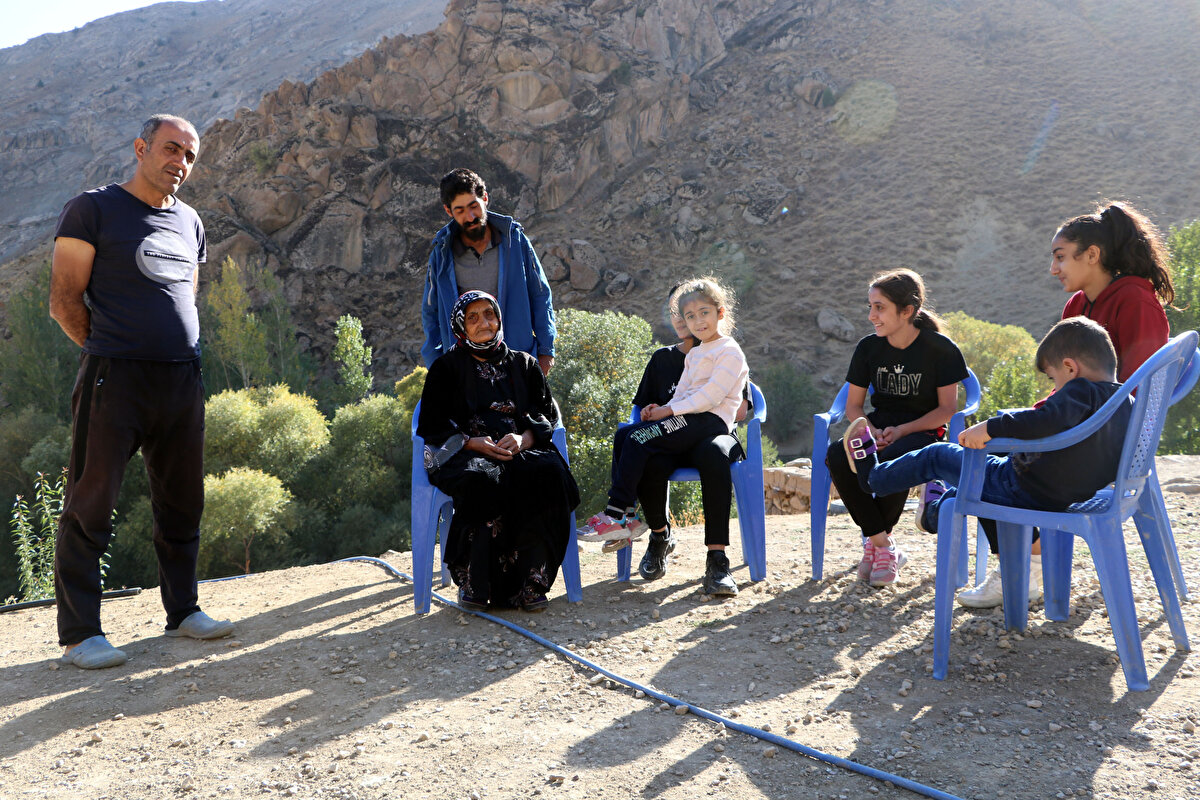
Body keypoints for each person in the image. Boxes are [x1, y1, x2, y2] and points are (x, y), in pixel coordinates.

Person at [49, 114, 234, 670]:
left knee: (182, 501)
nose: (181, 162)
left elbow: (186, 296)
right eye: (171, 149)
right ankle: (80, 634)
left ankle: (183, 611)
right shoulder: (93, 209)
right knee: (91, 500)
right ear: (140, 148)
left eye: (190, 156)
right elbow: (64, 301)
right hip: (115, 377)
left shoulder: (189, 221)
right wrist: (110, 349)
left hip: (180, 378)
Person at [957, 201, 1176, 608]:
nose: (1053, 269)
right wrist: (1037, 417)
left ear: (1092, 255)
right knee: (993, 453)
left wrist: (1040, 427)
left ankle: (1022, 569)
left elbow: (1135, 392)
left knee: (989, 471)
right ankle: (1025, 565)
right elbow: (1067, 387)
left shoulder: (1136, 301)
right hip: (1079, 430)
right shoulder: (1076, 308)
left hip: (1109, 443)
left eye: (1060, 257)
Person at [846, 318, 1132, 588]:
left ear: (1070, 368)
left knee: (937, 455)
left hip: (1020, 486)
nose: (1055, 388)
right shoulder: (1126, 402)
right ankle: (933, 515)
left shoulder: (1081, 390)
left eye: (1053, 379)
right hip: (1064, 493)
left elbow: (1046, 419)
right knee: (975, 483)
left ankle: (873, 477)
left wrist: (991, 427)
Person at [577, 277, 749, 596]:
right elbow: (682, 394)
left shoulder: (729, 350)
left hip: (710, 424)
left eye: (704, 313)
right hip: (685, 424)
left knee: (645, 441)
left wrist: (669, 412)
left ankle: (715, 560)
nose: (697, 321)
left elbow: (711, 396)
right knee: (626, 435)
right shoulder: (692, 355)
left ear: (720, 312)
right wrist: (660, 409)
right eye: (689, 315)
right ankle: (632, 519)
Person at [417, 290, 580, 612]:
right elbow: (432, 424)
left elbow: (547, 415)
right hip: (466, 451)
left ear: (499, 318)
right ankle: (476, 584)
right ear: (460, 327)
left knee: (547, 474)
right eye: (473, 318)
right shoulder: (445, 369)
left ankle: (532, 584)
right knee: (482, 479)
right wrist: (470, 442)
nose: (484, 323)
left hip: (519, 449)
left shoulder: (524, 364)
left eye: (489, 314)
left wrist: (525, 439)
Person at [826, 269, 968, 588]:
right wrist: (869, 430)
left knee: (896, 457)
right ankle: (883, 545)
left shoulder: (941, 349)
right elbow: (853, 406)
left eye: (880, 308)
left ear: (907, 311)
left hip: (924, 430)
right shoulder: (868, 348)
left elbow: (946, 410)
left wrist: (902, 430)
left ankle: (877, 547)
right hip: (877, 426)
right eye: (870, 307)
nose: (871, 316)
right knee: (836, 455)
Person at [421, 168, 556, 375]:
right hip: (465, 373)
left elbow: (540, 295)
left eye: (474, 206)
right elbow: (431, 313)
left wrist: (546, 352)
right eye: (460, 211)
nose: (470, 217)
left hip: (518, 364)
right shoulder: (441, 255)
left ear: (485, 198)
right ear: (449, 211)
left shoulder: (515, 241)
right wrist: (436, 365)